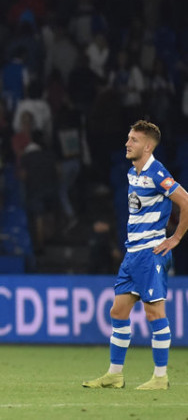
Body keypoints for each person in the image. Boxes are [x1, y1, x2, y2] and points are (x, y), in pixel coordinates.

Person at [82, 120, 187, 390]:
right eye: (128, 138)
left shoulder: (157, 172)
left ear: (148, 146)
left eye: (134, 140)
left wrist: (175, 237)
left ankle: (160, 377)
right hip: (132, 254)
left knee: (154, 313)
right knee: (118, 311)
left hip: (151, 253)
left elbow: (185, 201)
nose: (127, 143)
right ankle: (115, 375)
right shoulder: (132, 172)